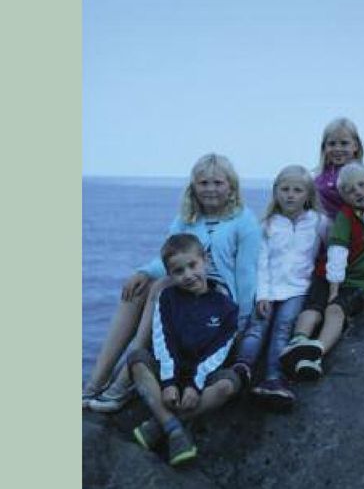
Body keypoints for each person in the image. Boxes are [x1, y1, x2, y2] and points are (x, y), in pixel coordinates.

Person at [84, 153, 260, 413]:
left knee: (159, 287)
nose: (210, 189)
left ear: (231, 186)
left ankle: (124, 380)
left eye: (217, 183)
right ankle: (94, 382)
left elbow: (246, 272)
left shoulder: (244, 220)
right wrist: (143, 272)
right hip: (185, 283)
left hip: (219, 295)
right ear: (194, 187)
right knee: (137, 290)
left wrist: (242, 321)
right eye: (203, 183)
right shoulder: (186, 219)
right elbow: (168, 259)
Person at [280, 161, 364, 381]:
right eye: (349, 190)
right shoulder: (345, 216)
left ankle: (317, 350)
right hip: (330, 275)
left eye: (362, 184)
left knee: (336, 310)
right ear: (343, 197)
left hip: (359, 282)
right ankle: (298, 342)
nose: (358, 191)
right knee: (314, 307)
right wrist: (333, 287)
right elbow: (337, 252)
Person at [127, 233, 240, 466]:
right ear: (169, 275)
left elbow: (219, 352)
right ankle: (174, 430)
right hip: (169, 371)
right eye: (178, 271)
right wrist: (169, 383)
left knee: (229, 384)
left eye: (192, 265)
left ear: (205, 260)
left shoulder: (227, 307)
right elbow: (162, 340)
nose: (188, 275)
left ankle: (159, 424)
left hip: (203, 376)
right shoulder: (166, 298)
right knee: (136, 359)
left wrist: (194, 385)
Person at [232, 165, 323, 409]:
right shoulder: (267, 225)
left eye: (297, 190)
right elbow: (261, 263)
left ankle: (274, 377)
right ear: (275, 192)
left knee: (284, 328)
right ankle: (242, 367)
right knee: (257, 327)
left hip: (298, 289)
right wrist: (262, 295)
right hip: (269, 289)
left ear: (308, 195)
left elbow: (336, 246)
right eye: (284, 189)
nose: (290, 195)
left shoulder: (318, 223)